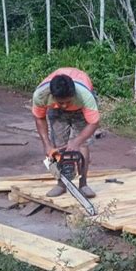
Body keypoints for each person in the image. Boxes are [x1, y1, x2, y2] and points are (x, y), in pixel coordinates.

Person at [32, 67, 100, 198]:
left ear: (73, 94)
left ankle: (83, 184)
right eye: (61, 102)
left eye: (68, 102)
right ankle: (61, 184)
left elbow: (94, 122)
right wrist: (46, 144)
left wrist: (77, 141)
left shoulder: (84, 95)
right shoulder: (41, 95)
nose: (64, 106)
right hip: (54, 110)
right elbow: (39, 118)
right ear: (52, 96)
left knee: (82, 145)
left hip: (80, 109)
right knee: (58, 143)